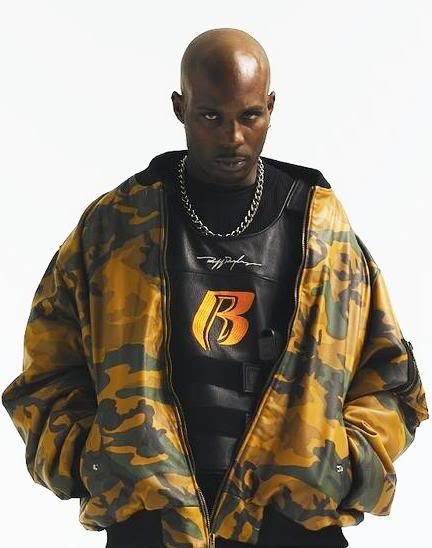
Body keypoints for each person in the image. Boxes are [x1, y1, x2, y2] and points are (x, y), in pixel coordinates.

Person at [2, 27, 429, 548]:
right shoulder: (116, 227)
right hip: (150, 529)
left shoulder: (321, 230)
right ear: (179, 107)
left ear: (271, 107)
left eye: (250, 116)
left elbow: (390, 377)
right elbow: (47, 372)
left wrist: (339, 466)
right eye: (210, 116)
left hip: (296, 528)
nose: (232, 137)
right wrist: (98, 465)